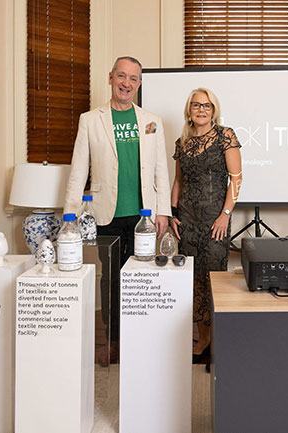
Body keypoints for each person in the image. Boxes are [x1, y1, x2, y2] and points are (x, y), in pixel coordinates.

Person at [64, 56, 172, 364]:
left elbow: (160, 169)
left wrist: (162, 211)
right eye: (121, 76)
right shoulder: (90, 120)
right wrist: (70, 216)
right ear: (110, 78)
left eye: (133, 78)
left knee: (141, 279)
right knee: (111, 280)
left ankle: (138, 342)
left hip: (143, 217)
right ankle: (113, 342)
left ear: (139, 84)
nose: (126, 83)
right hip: (105, 215)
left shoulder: (151, 121)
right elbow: (78, 170)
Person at [170, 88, 242, 365]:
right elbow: (178, 181)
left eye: (207, 105)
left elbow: (236, 179)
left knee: (213, 279)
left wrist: (225, 215)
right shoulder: (182, 143)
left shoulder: (225, 136)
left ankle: (219, 340)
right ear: (189, 110)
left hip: (215, 221)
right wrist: (173, 214)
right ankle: (203, 339)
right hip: (187, 220)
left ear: (214, 110)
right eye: (196, 105)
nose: (201, 109)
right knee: (193, 281)